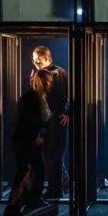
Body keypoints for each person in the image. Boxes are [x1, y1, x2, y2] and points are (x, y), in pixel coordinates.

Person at [3, 69, 52, 216]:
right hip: (25, 143)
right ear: (42, 82)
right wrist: (35, 137)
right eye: (49, 82)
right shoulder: (31, 98)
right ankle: (12, 209)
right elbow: (27, 121)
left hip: (28, 141)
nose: (51, 84)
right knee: (24, 173)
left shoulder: (37, 96)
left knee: (35, 170)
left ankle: (32, 200)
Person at [31, 46, 70, 201]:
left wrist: (68, 113)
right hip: (48, 119)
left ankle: (55, 189)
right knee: (51, 155)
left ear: (48, 59)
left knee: (54, 155)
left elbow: (72, 93)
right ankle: (58, 186)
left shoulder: (58, 73)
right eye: (34, 60)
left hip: (55, 119)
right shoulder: (42, 74)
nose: (36, 63)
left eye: (39, 60)